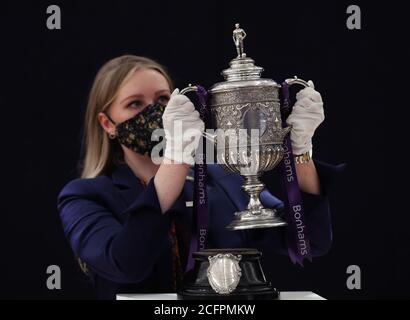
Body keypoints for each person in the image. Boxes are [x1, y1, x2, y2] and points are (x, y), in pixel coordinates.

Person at [57, 55, 344, 299]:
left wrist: (299, 150)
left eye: (163, 99)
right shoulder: (84, 196)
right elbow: (126, 263)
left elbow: (311, 241)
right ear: (107, 123)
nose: (154, 112)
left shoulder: (223, 178)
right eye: (134, 104)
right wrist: (175, 158)